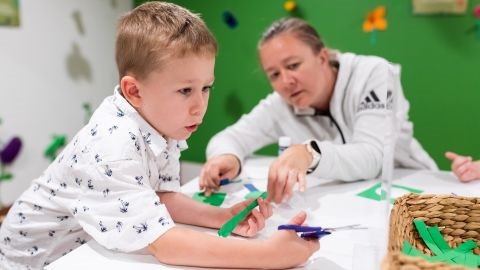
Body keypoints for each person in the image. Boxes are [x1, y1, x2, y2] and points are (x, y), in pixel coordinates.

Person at [0, 3, 319, 269]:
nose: (199, 107)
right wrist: (270, 256)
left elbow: (160, 197)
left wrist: (223, 215)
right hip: (33, 262)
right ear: (134, 91)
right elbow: (164, 244)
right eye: (185, 90)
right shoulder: (114, 146)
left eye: (205, 87)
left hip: (85, 249)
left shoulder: (161, 124)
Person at [200, 17, 437, 204]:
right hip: (349, 202)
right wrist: (227, 157)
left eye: (293, 65)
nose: (285, 81)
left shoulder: (374, 73)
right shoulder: (281, 103)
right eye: (274, 74)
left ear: (322, 57)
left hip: (412, 191)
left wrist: (309, 153)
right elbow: (230, 138)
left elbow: (374, 157)